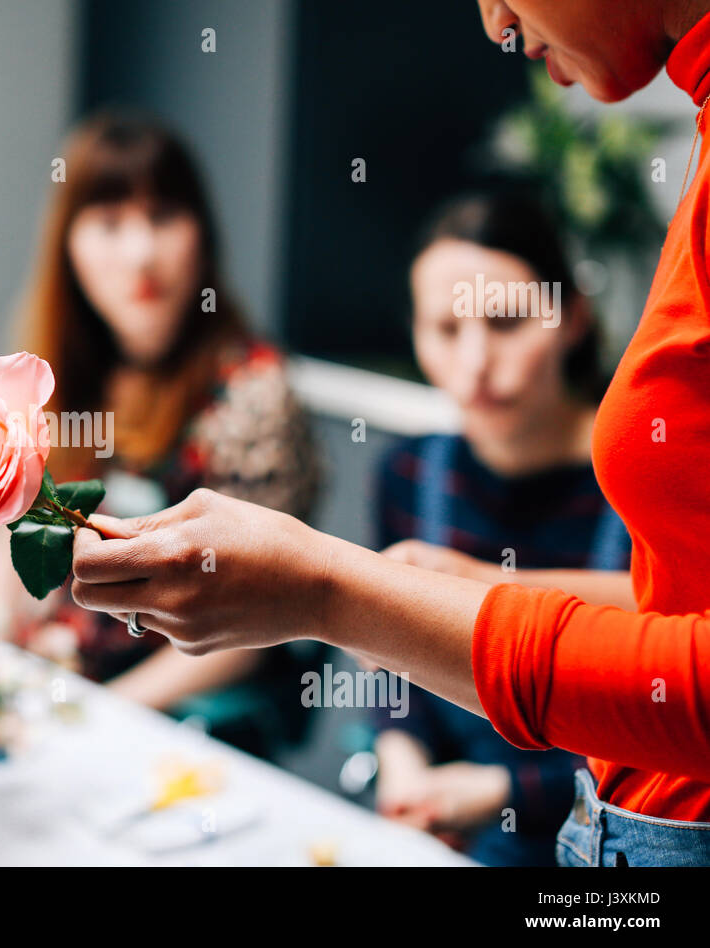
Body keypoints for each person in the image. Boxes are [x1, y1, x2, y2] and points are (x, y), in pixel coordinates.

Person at [70, 0, 710, 866]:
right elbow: (675, 609)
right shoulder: (418, 471)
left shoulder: (249, 390)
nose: (492, 23)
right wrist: (450, 594)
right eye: (444, 329)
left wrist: (335, 594)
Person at [0, 113, 322, 757]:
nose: (140, 253)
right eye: (108, 223)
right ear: (68, 244)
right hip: (55, 700)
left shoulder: (252, 395)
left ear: (202, 235)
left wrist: (94, 718)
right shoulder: (48, 376)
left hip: (177, 724)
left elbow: (254, 618)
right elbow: (10, 538)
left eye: (162, 217)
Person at [371, 191, 630, 866]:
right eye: (447, 330)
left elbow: (665, 705)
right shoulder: (406, 475)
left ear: (573, 317)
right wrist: (404, 771)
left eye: (508, 322)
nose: (476, 364)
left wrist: (502, 789)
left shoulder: (638, 490)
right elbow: (391, 664)